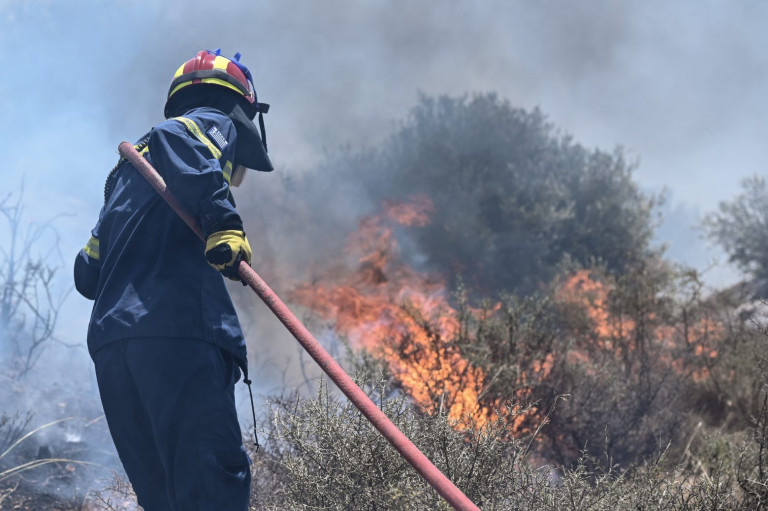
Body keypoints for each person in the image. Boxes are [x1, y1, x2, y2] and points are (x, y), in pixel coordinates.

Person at [74, 49, 273, 510]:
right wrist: (224, 224)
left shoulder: (129, 174)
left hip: (114, 348)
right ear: (240, 105)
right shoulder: (208, 120)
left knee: (165, 498)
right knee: (210, 489)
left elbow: (87, 272)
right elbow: (183, 140)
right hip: (178, 332)